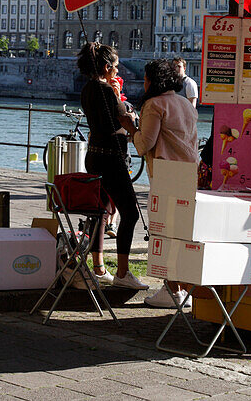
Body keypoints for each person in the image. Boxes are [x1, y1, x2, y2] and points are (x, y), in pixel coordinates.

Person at [121, 59, 198, 308]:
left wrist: (130, 128)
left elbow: (145, 145)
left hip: (166, 176)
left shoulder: (154, 105)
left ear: (152, 81)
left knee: (163, 232)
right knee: (181, 233)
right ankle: (182, 288)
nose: (143, 83)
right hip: (189, 174)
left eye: (145, 79)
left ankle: (170, 289)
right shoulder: (185, 103)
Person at [76, 42, 147, 290]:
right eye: (115, 67)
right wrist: (139, 133)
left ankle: (99, 268)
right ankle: (123, 273)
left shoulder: (87, 89)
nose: (118, 72)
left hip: (94, 155)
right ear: (106, 67)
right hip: (111, 158)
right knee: (130, 212)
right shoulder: (106, 91)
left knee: (101, 213)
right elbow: (124, 118)